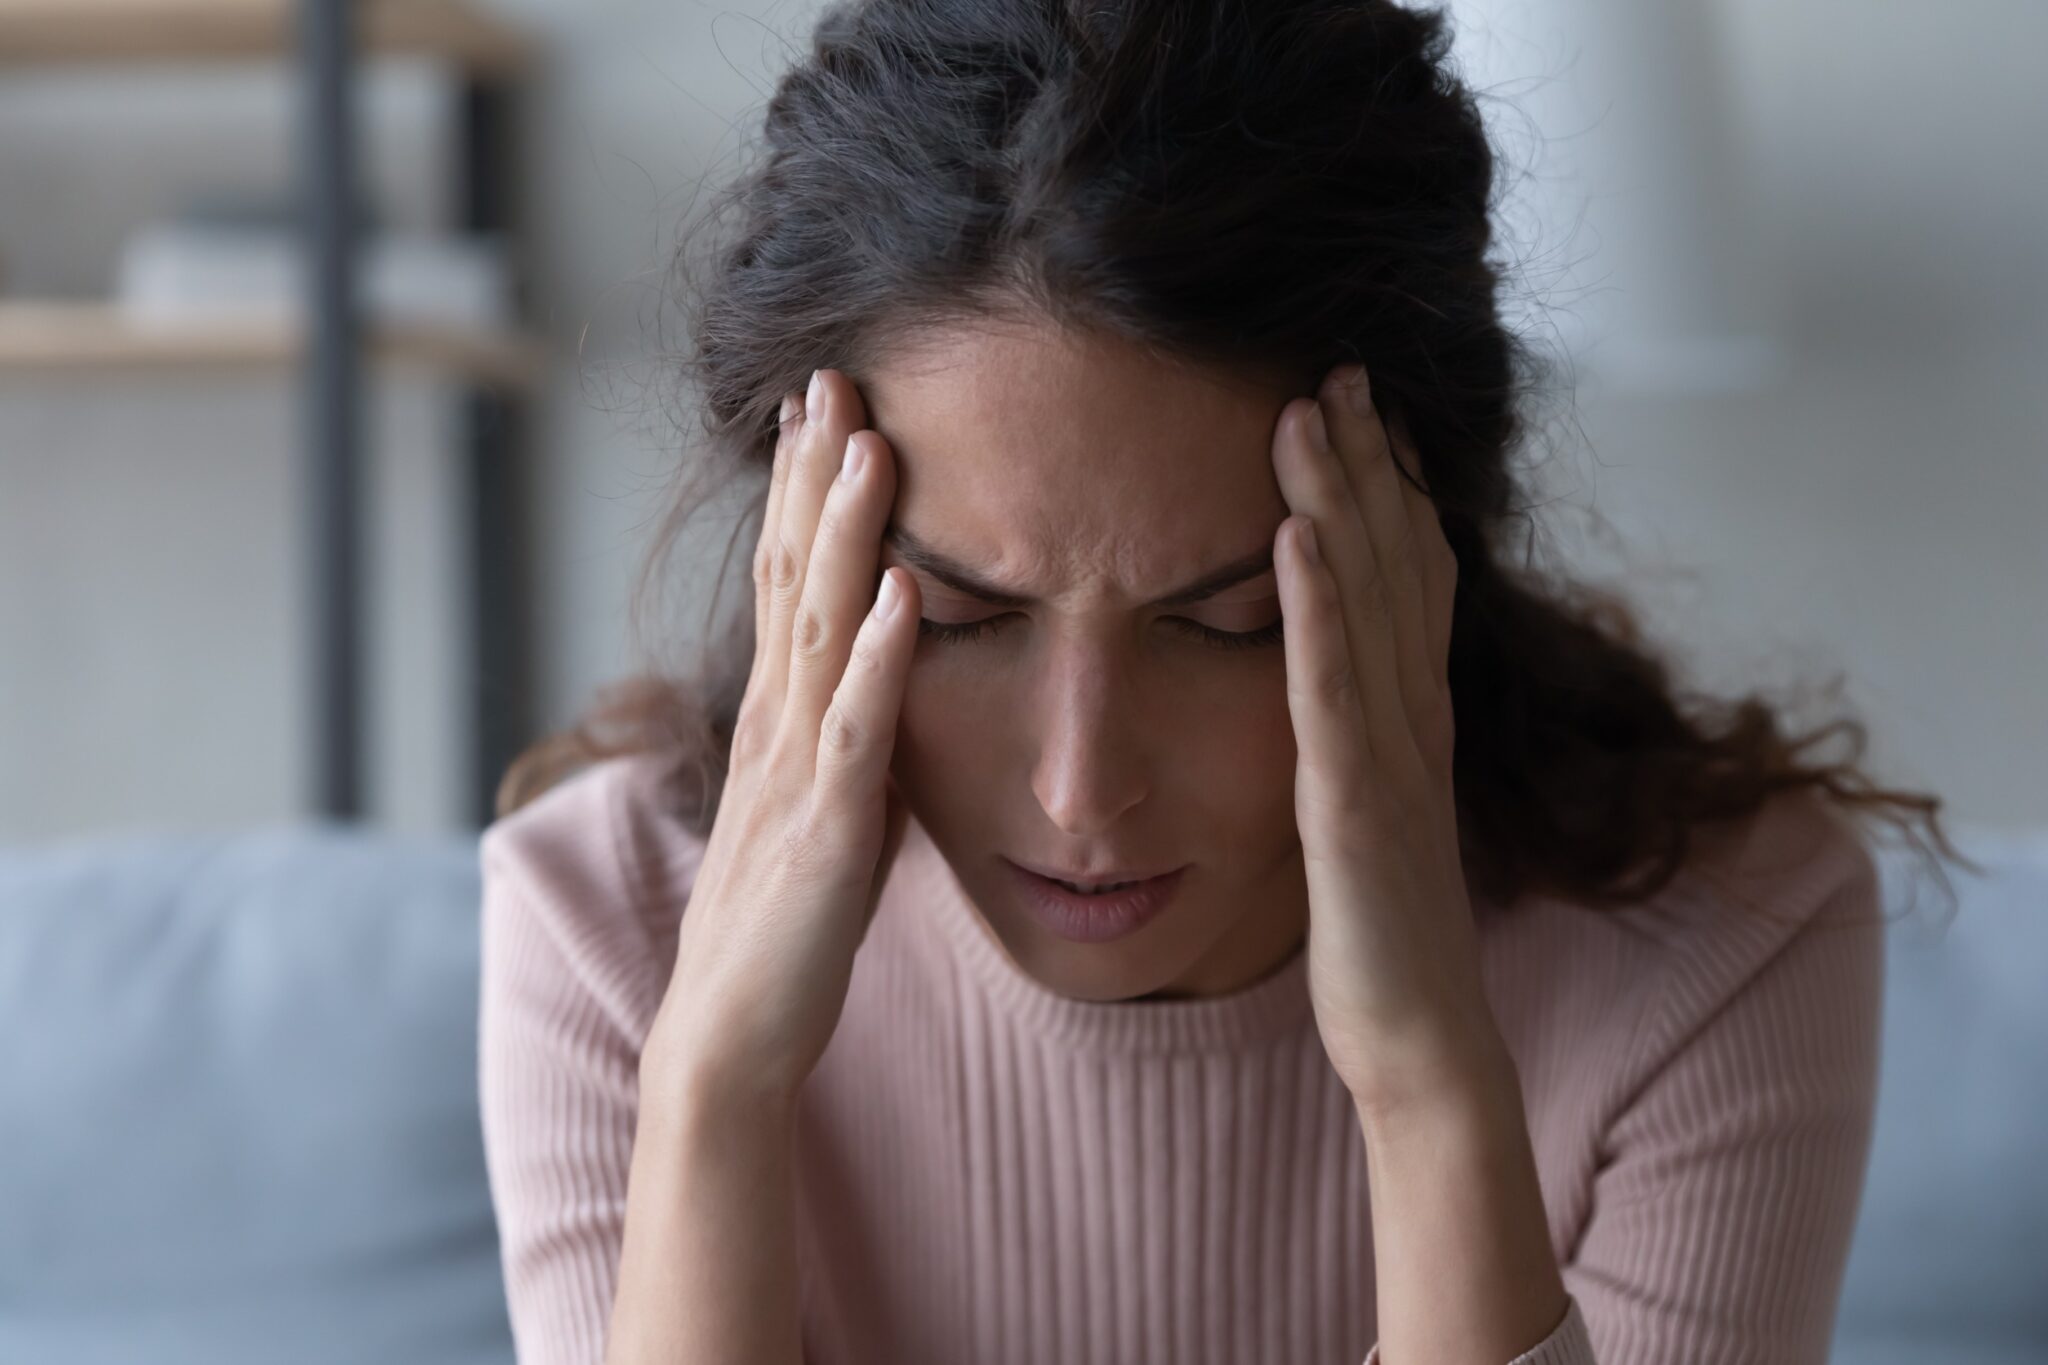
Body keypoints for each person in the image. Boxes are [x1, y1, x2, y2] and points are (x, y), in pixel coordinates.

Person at [476, 2, 1970, 1362]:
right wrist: (719, 1087)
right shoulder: (607, 933)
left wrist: (1431, 1084)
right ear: (803, 554)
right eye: (961, 617)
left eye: (1228, 621)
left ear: (1420, 550)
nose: (1082, 785)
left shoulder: (1721, 945)